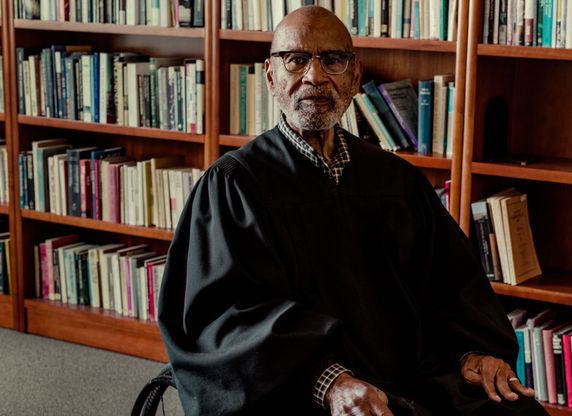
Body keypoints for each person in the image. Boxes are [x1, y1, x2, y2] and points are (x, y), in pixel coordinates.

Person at [158, 6, 547, 416]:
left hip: (416, 375)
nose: (315, 76)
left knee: (516, 412)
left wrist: (471, 352)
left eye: (333, 59)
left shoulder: (396, 180)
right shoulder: (235, 186)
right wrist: (328, 381)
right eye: (296, 59)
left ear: (355, 74)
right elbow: (218, 320)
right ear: (272, 76)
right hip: (301, 384)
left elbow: (452, 285)